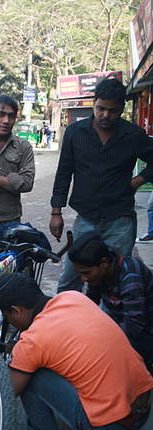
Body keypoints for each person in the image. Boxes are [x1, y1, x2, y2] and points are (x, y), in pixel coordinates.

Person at [0, 273, 153, 430]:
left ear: (16, 311)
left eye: (7, 317)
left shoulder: (32, 342)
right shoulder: (73, 297)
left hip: (112, 427)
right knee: (58, 359)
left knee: (32, 375)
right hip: (144, 408)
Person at [49, 77, 153, 293]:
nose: (106, 115)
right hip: (85, 221)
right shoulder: (75, 132)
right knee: (71, 278)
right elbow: (63, 174)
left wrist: (137, 181)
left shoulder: (134, 135)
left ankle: (106, 324)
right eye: (101, 108)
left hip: (120, 222)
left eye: (112, 110)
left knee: (113, 282)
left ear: (122, 108)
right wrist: (56, 212)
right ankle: (64, 323)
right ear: (93, 102)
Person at [67, 231, 153, 366]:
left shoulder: (130, 277)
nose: (83, 279)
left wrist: (95, 334)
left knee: (100, 353)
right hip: (123, 323)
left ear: (104, 263)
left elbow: (133, 328)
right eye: (81, 274)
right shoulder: (99, 275)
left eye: (86, 273)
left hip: (145, 334)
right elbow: (90, 304)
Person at [0, 95, 35, 226]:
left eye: (11, 116)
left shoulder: (23, 147)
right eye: (1, 115)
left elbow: (27, 184)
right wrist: (14, 184)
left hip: (11, 221)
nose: (6, 121)